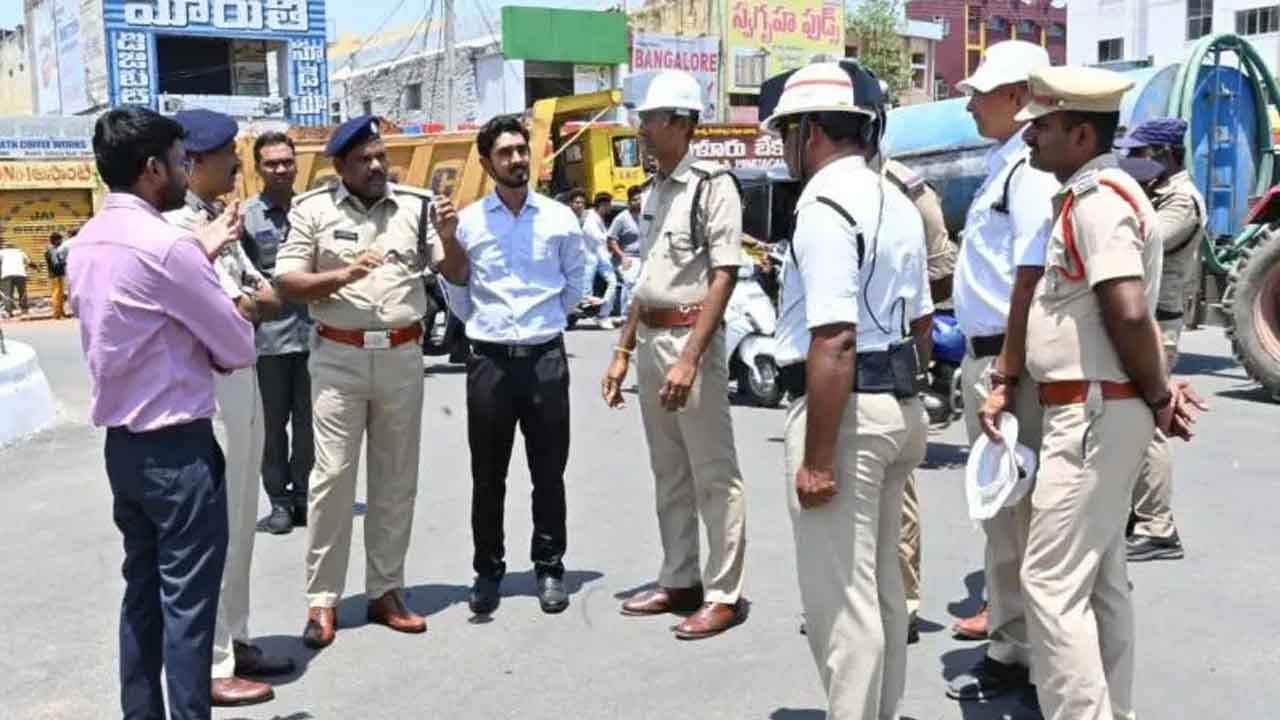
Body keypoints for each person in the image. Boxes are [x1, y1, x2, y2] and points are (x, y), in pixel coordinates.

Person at [980, 65, 1205, 720]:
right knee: (1100, 581)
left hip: (1092, 412)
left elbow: (1128, 309)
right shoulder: (1097, 194)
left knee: (1048, 584)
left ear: (1080, 134)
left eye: (1043, 127)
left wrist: (1160, 395)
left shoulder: (1099, 202)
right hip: (1096, 407)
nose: (1031, 141)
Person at [70, 105, 255, 720]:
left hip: (123, 448)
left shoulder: (86, 241)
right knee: (188, 612)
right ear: (152, 168)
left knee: (142, 599)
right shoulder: (168, 246)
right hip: (178, 451)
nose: (184, 172)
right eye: (179, 162)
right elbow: (237, 344)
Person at [763, 61, 932, 720]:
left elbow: (833, 341)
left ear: (808, 133)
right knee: (885, 590)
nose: (784, 149)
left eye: (785, 134)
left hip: (847, 412)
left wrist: (818, 458)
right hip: (897, 404)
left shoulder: (825, 206)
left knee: (842, 605)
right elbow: (920, 323)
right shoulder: (896, 197)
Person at [276, 116, 442, 648]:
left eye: (380, 156)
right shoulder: (312, 211)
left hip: (401, 356)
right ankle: (322, 600)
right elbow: (288, 281)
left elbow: (457, 272)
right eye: (364, 159)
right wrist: (341, 276)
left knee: (396, 477)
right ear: (340, 166)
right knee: (332, 480)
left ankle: (386, 590)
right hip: (339, 360)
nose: (376, 166)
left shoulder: (416, 208)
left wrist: (454, 237)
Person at [602, 69, 747, 640]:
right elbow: (645, 279)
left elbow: (724, 275)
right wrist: (621, 349)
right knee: (670, 471)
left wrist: (690, 358)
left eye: (652, 118)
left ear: (682, 124)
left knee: (714, 473)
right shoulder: (655, 189)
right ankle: (680, 577)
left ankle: (723, 592)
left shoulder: (714, 186)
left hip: (691, 340)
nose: (642, 127)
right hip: (653, 338)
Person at [944, 40, 1062, 701]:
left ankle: (1017, 654)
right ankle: (1014, 640)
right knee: (1002, 514)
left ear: (1018, 98)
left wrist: (1006, 374)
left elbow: (1028, 277)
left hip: (1003, 360)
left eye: (980, 92)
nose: (969, 103)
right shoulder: (1007, 165)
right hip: (989, 355)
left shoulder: (1030, 173)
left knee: (1014, 514)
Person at [163, 109, 292, 707]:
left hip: (244, 378)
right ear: (191, 162)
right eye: (225, 158)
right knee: (218, 528)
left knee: (243, 522)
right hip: (211, 389)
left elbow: (259, 292)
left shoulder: (220, 219)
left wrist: (249, 301)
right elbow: (223, 307)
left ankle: (235, 640)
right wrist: (246, 303)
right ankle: (211, 665)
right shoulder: (175, 228)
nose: (236, 167)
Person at [434, 114, 585, 616]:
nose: (517, 159)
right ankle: (487, 571)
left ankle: (549, 568)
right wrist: (492, 330)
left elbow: (575, 288)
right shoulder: (470, 223)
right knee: (488, 474)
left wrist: (540, 326)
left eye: (522, 150)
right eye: (505, 152)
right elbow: (458, 294)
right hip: (491, 365)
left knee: (549, 472)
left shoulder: (560, 219)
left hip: (544, 359)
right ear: (487, 162)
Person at [1115, 117, 1204, 562]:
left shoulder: (1181, 202)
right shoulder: (1153, 194)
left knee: (1149, 422)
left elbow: (1140, 242)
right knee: (1133, 419)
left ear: (1166, 157)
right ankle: (1138, 513)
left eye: (1139, 155)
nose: (1129, 162)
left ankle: (1157, 526)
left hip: (1158, 326)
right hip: (1144, 321)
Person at [242, 131, 315, 536]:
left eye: (287, 161)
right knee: (273, 425)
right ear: (259, 168)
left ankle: (304, 494)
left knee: (309, 422)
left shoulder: (312, 211)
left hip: (314, 336)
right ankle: (279, 500)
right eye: (272, 163)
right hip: (268, 340)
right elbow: (239, 274)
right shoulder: (247, 218)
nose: (281, 169)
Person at [607, 185, 645, 321]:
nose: (638, 202)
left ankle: (641, 315)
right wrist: (622, 257)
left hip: (644, 256)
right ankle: (626, 315)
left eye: (640, 199)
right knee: (630, 281)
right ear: (629, 202)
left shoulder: (646, 216)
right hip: (627, 257)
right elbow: (611, 239)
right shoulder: (622, 218)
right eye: (635, 199)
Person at [583, 191, 620, 328]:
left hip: (600, 259)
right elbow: (598, 238)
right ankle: (592, 313)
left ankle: (603, 314)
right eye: (609, 205)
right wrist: (610, 240)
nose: (610, 208)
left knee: (613, 282)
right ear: (603, 205)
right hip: (590, 259)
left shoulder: (599, 218)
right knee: (585, 293)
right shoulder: (590, 219)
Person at [0, 239, 32, 315]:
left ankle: (8, 311)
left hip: (6, 275)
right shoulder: (20, 252)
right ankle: (24, 310)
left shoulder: (1, 252)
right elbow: (30, 262)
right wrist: (37, 268)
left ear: (5, 247)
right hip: (20, 274)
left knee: (7, 293)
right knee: (22, 292)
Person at [44, 232, 68, 319]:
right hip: (56, 275)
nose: (62, 241)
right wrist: (64, 262)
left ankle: (61, 312)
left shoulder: (52, 249)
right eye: (60, 239)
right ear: (56, 240)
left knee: (60, 294)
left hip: (56, 274)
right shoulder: (52, 250)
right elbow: (56, 263)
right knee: (57, 294)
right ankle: (57, 314)